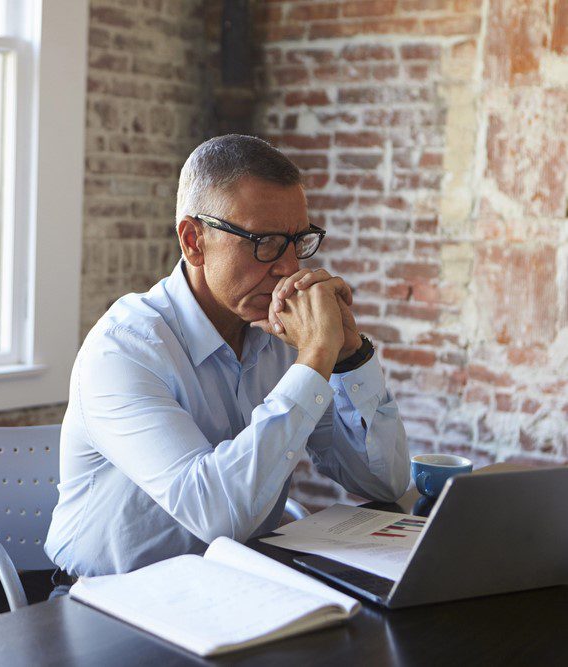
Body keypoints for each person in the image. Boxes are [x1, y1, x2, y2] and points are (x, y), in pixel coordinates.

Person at [44, 134, 409, 594]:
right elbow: (215, 515)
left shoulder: (277, 335)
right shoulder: (123, 350)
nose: (288, 267)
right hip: (107, 603)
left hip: (237, 586)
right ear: (194, 241)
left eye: (298, 241)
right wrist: (315, 357)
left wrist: (349, 356)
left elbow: (384, 481)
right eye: (266, 243)